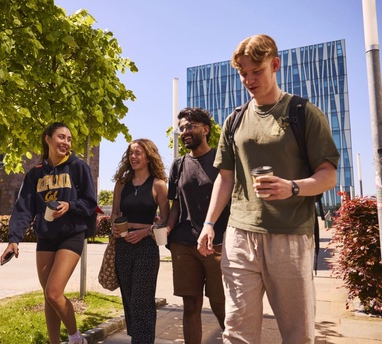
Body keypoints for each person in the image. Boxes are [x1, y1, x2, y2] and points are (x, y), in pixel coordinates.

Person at [197, 34, 340, 344]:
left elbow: (328, 175)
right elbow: (225, 177)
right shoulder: (235, 120)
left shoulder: (304, 113)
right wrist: (210, 223)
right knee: (236, 332)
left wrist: (292, 187)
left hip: (289, 236)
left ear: (275, 65)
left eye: (256, 71)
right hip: (239, 234)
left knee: (297, 333)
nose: (249, 79)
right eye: (243, 73)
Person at [0, 122, 97, 344]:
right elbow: (23, 208)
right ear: (48, 139)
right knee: (49, 297)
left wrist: (70, 205)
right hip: (45, 237)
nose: (66, 142)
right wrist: (13, 240)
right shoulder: (35, 174)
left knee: (54, 292)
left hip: (71, 235)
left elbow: (90, 203)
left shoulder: (78, 167)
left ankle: (75, 338)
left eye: (69, 139)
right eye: (61, 137)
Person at [166, 107, 229, 344]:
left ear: (206, 129)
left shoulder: (222, 160)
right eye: (181, 128)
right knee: (190, 304)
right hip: (183, 244)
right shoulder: (178, 165)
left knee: (221, 305)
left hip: (218, 243)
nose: (185, 131)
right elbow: (175, 205)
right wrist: (168, 227)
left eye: (190, 126)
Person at [110, 138, 170, 344]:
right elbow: (115, 212)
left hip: (146, 246)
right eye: (130, 153)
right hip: (123, 245)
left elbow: (165, 219)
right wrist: (114, 228)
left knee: (142, 300)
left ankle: (143, 341)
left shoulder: (159, 185)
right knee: (129, 298)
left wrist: (146, 232)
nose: (133, 157)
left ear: (148, 156)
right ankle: (138, 338)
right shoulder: (122, 184)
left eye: (138, 153)